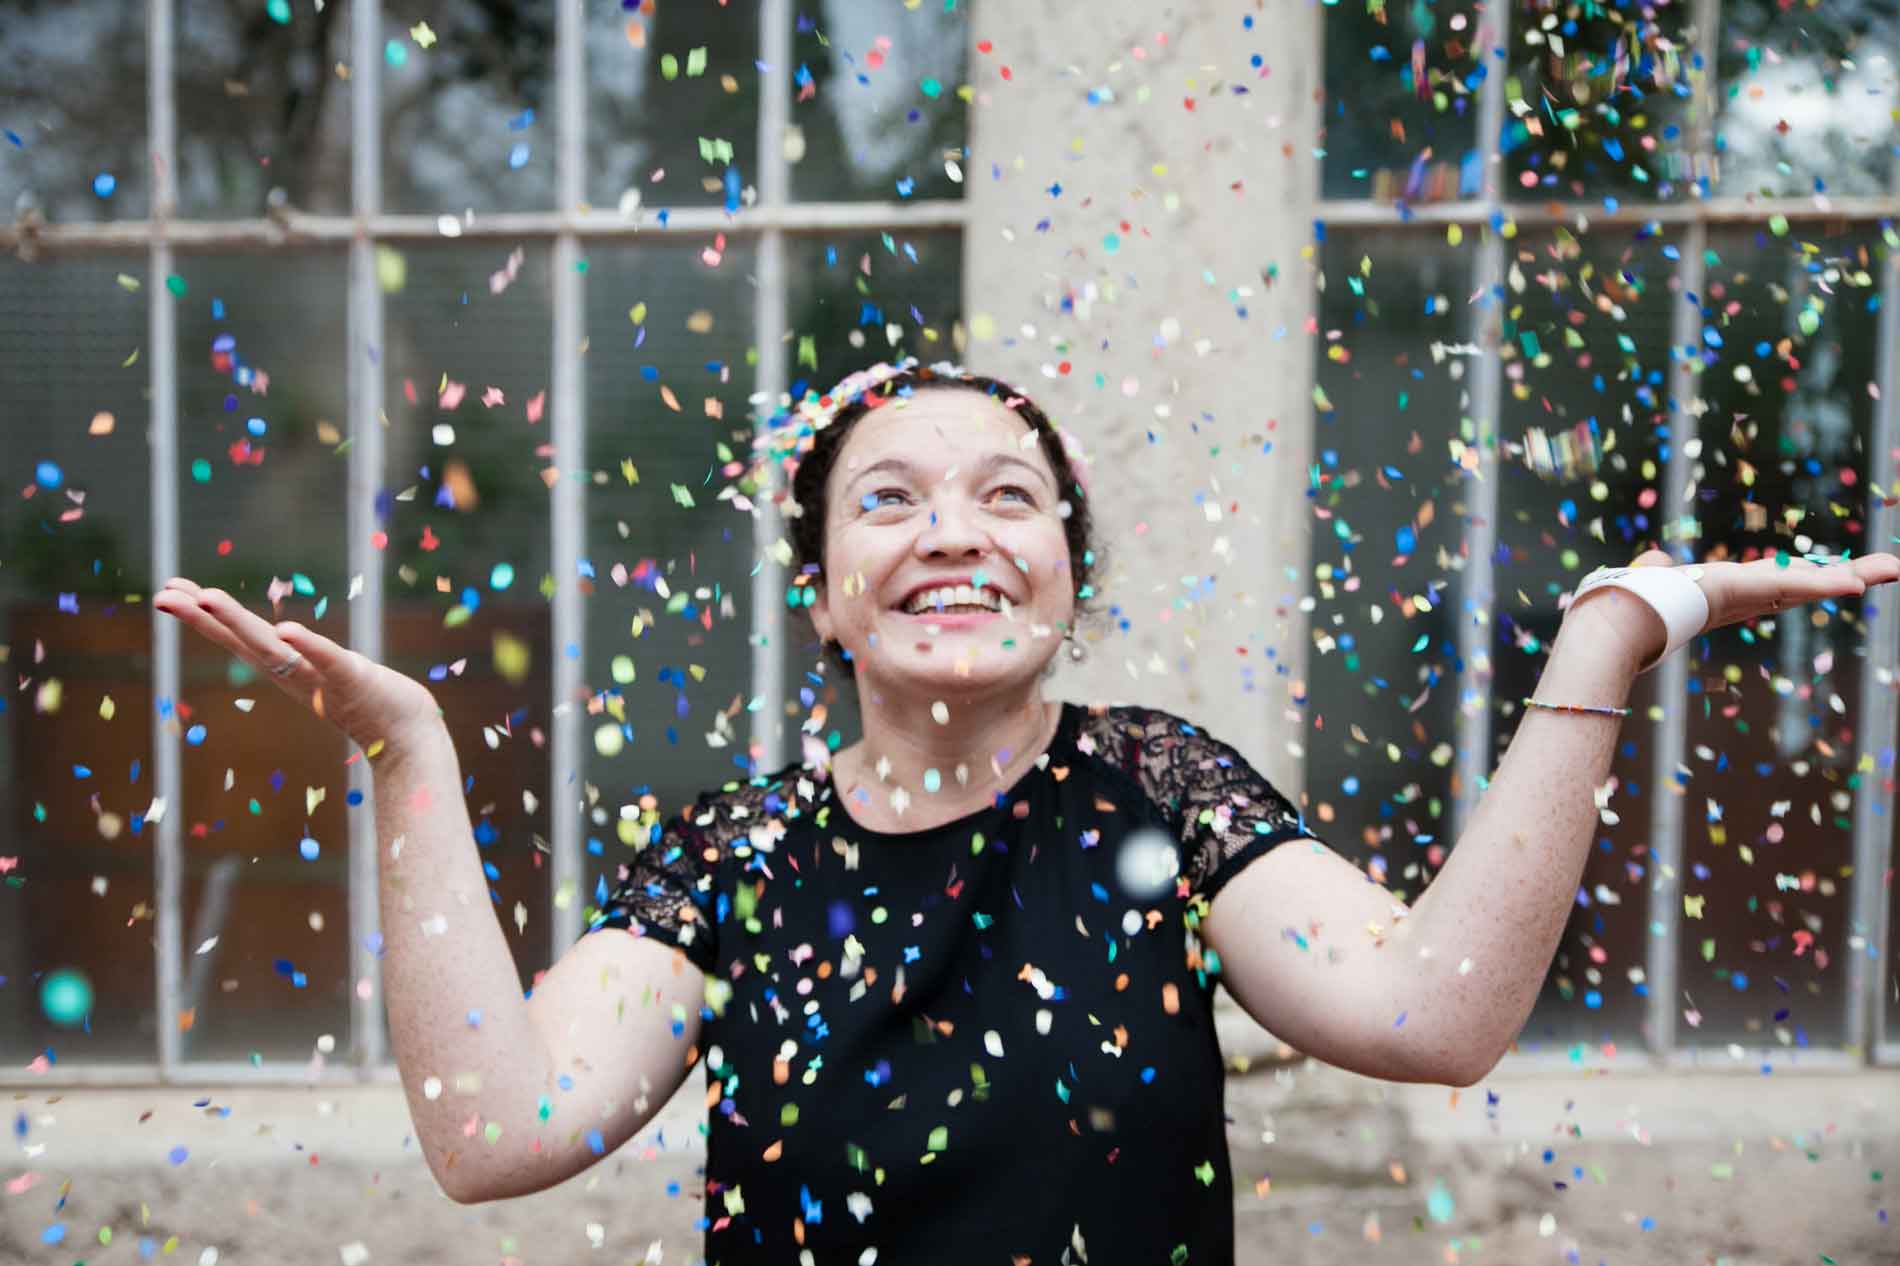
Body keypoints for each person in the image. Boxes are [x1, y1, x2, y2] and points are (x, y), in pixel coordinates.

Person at [154, 357, 1900, 1265]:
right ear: (823, 598)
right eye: (889, 500)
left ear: (1064, 567)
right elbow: (493, 1132)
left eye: (1010, 495)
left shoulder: (1163, 792)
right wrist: (410, 759)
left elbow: (1433, 1011)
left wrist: (1608, 634)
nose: (955, 532)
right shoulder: (736, 855)